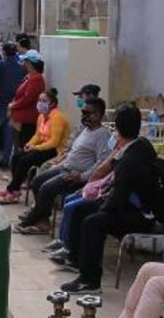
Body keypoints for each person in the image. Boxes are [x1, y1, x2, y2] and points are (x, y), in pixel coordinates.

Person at [61, 105, 161, 294]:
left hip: (139, 215)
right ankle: (75, 259)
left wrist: (102, 208)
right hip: (127, 205)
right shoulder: (137, 147)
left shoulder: (132, 159)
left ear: (118, 128)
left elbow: (119, 197)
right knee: (80, 209)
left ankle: (90, 281)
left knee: (93, 222)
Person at [12, 97, 111, 229]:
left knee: (47, 188)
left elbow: (101, 163)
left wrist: (82, 176)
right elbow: (73, 152)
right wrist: (60, 162)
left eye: (87, 113)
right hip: (65, 167)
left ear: (98, 115)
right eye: (83, 112)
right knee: (36, 181)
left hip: (77, 175)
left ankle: (35, 219)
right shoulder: (85, 129)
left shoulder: (102, 134)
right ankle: (42, 218)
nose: (83, 116)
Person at [5, 88, 68, 197]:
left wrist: (35, 148)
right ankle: (17, 185)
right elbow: (37, 135)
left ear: (52, 104)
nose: (40, 103)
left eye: (44, 101)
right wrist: (29, 144)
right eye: (39, 100)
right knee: (17, 156)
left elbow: (54, 142)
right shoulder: (41, 116)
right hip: (42, 147)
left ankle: (13, 189)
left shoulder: (58, 118)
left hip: (54, 150)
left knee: (25, 160)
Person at [0, 42, 25, 168]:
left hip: (0, 103)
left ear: (4, 52)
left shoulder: (0, 65)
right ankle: (6, 159)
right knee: (10, 133)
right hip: (15, 104)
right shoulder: (21, 67)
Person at [7, 52, 46, 160]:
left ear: (30, 63)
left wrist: (13, 105)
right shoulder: (29, 77)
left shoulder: (37, 79)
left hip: (27, 120)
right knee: (17, 145)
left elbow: (27, 98)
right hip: (20, 119)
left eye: (25, 62)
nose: (23, 64)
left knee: (22, 146)